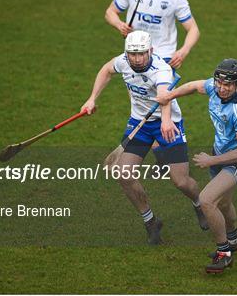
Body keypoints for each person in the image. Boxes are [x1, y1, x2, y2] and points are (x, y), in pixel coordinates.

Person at [81, 30, 208, 245]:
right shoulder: (123, 62)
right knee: (123, 174)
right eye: (133, 54)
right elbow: (106, 70)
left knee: (180, 181)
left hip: (168, 124)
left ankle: (199, 204)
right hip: (139, 124)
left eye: (141, 54)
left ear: (151, 51)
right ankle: (150, 221)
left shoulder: (161, 69)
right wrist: (92, 98)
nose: (137, 58)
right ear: (127, 53)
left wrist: (166, 121)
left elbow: (163, 96)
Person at [155, 59, 237, 273]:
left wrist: (211, 161)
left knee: (206, 200)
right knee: (222, 202)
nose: (222, 88)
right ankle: (235, 239)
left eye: (228, 85)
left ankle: (224, 253)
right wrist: (170, 95)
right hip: (220, 153)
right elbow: (194, 86)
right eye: (219, 83)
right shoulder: (216, 86)